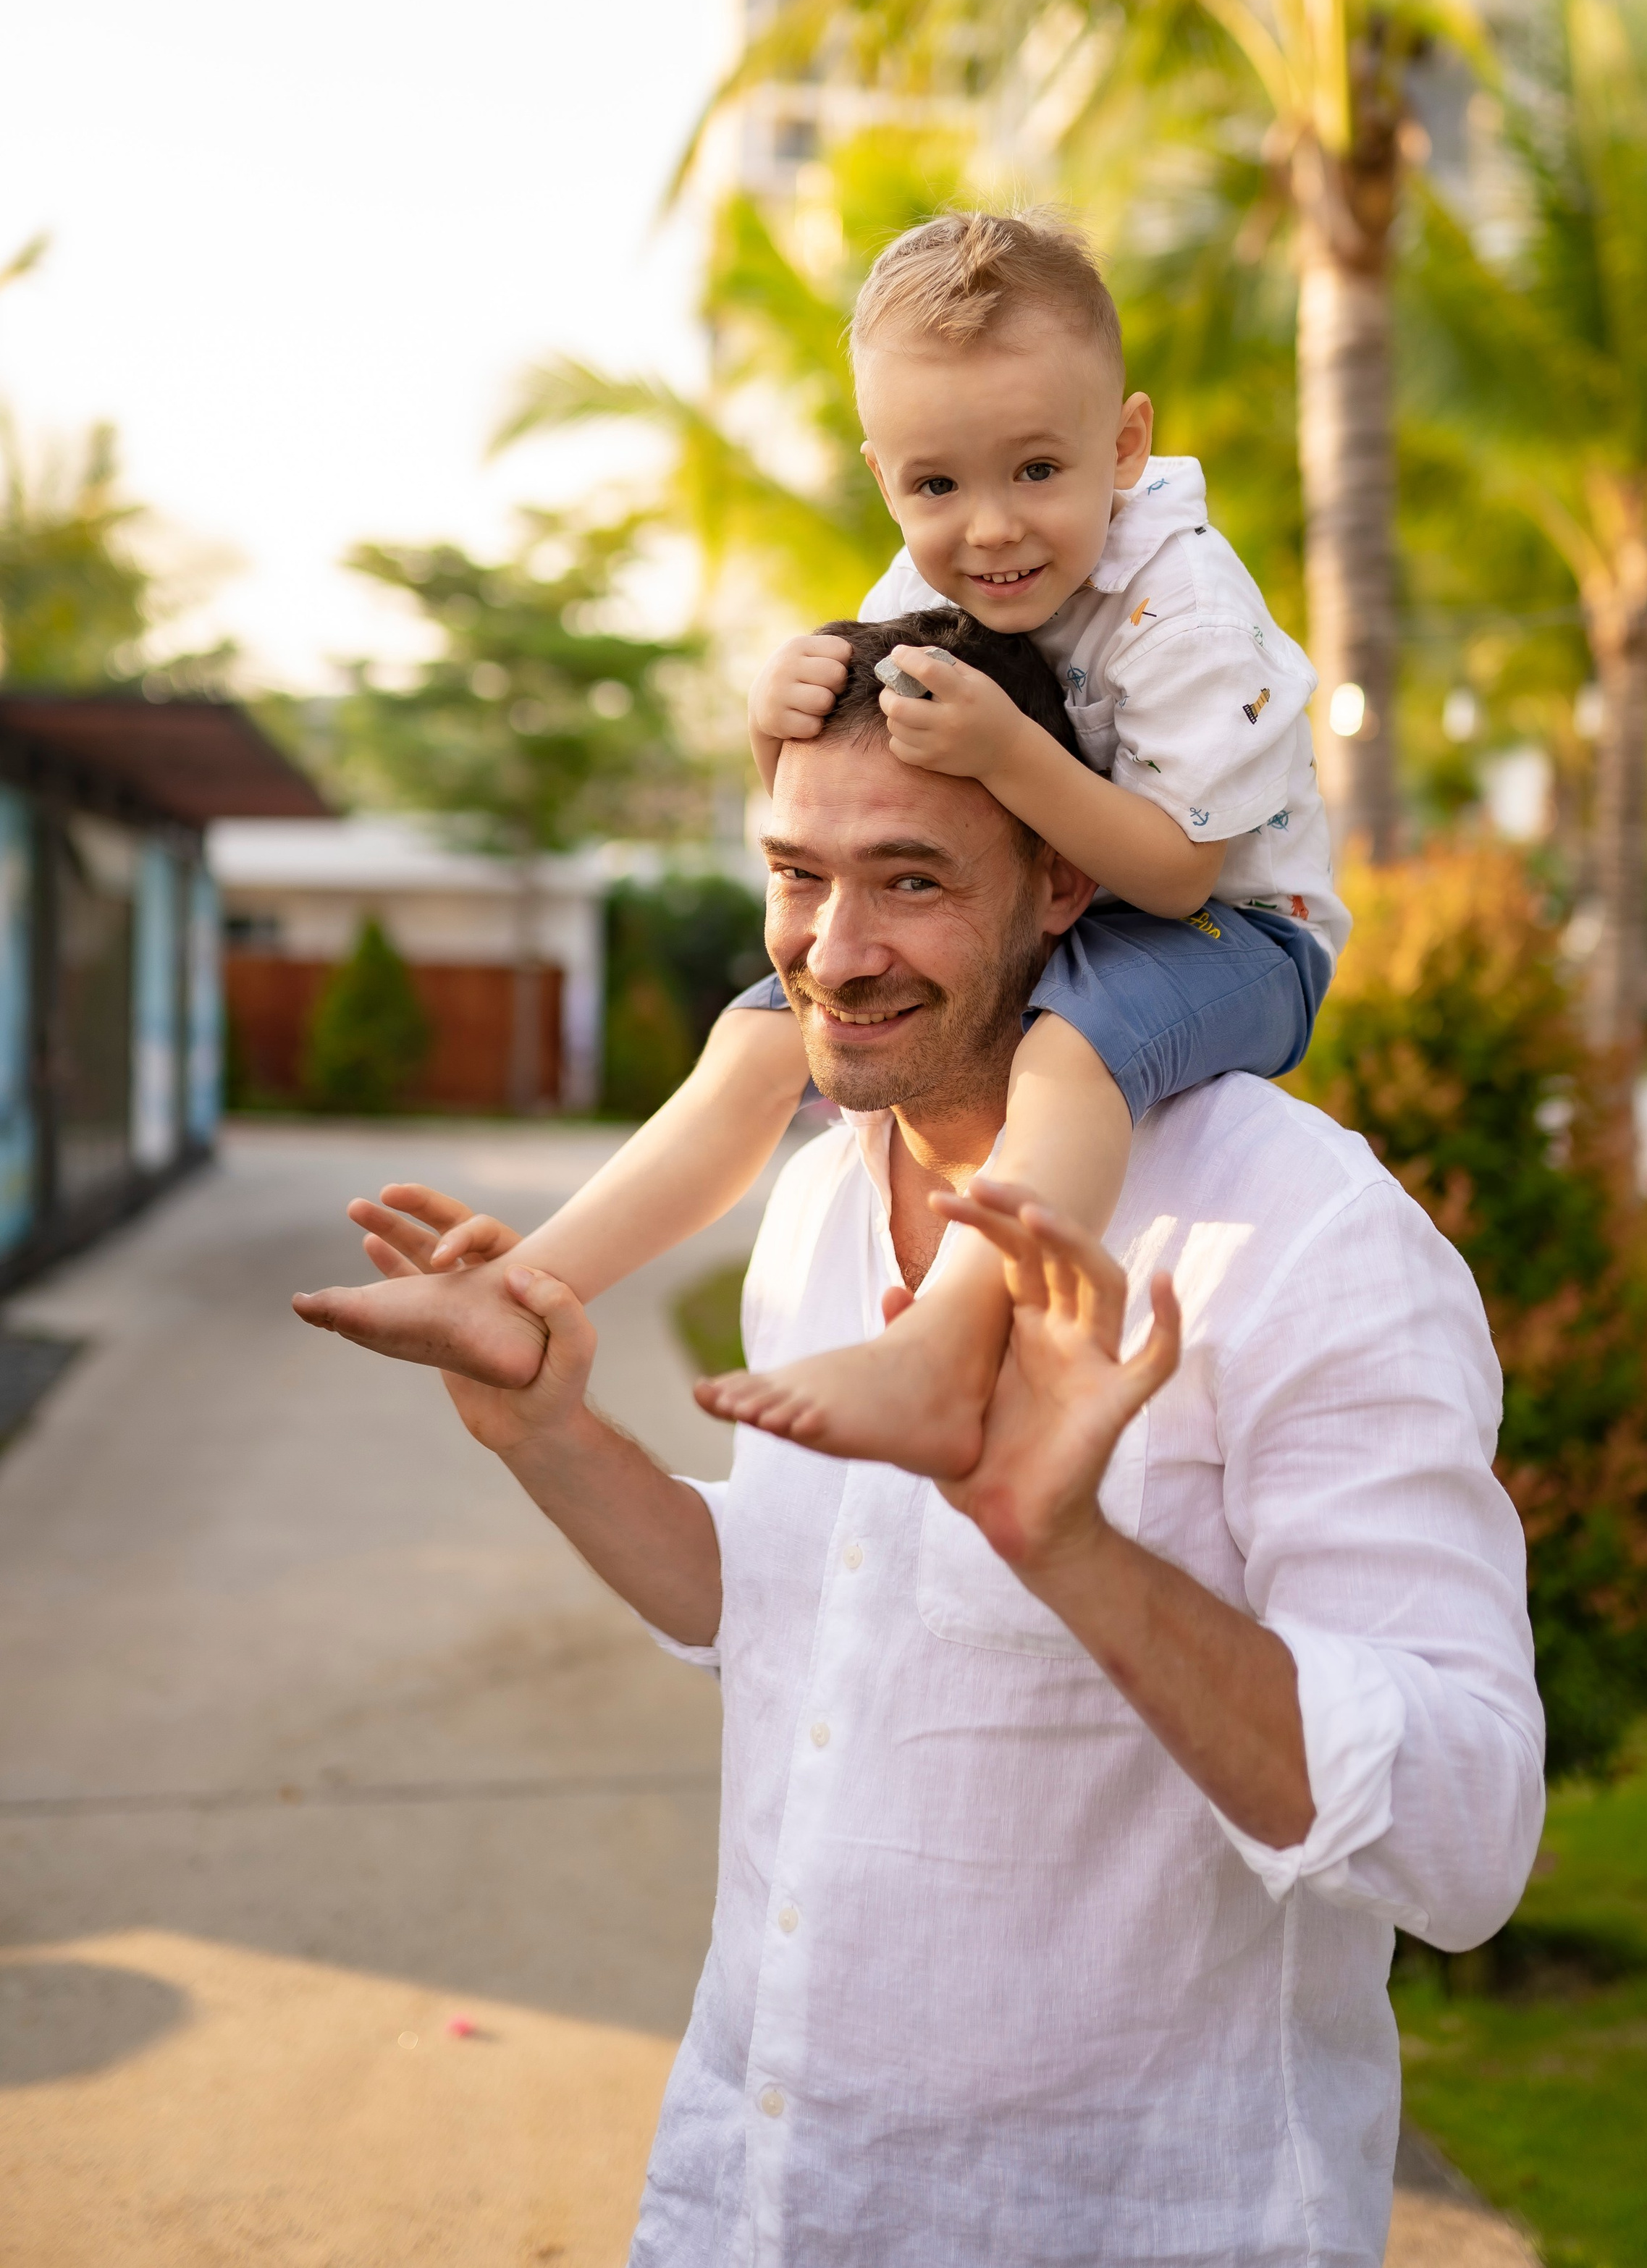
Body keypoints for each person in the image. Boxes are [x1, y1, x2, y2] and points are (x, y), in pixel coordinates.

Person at [319, 629, 1545, 2268]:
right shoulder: (826, 1185)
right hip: (758, 2190)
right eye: (794, 875)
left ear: (1060, 881)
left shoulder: (1305, 1233)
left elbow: (1464, 1840)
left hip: (1126, 2222)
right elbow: (778, 1615)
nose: (831, 948)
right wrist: (541, 1426)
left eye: (907, 879)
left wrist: (1073, 1549)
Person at [293, 211, 1347, 1480]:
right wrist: (767, 732)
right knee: (755, 1039)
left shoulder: (1183, 604)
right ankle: (520, 1290)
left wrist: (1012, 754)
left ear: (1124, 446)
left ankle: (945, 1352)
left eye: (1038, 471)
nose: (992, 530)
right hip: (1047, 904)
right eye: (937, 485)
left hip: (1236, 931)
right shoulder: (917, 592)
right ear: (884, 475)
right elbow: (841, 817)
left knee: (1068, 1053)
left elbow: (1178, 873)